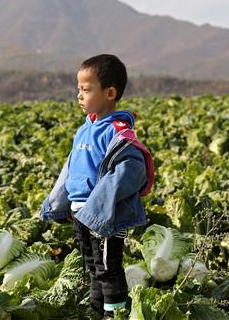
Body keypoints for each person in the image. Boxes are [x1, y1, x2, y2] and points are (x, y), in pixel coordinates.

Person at [40, 54, 154, 318]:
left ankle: (114, 314)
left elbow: (130, 173)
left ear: (110, 92)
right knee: (93, 269)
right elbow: (72, 171)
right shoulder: (85, 129)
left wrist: (96, 210)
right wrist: (62, 204)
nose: (79, 95)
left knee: (108, 269)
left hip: (105, 217)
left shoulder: (117, 132)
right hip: (81, 214)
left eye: (87, 89)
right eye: (78, 89)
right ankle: (96, 312)